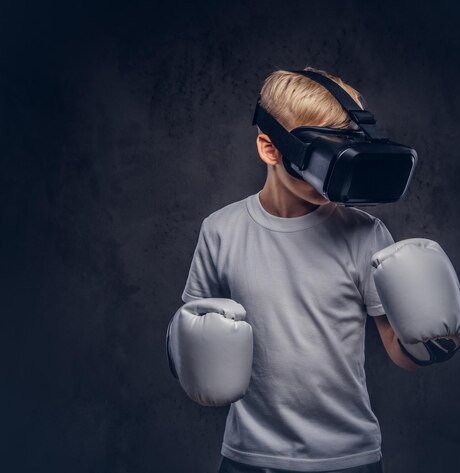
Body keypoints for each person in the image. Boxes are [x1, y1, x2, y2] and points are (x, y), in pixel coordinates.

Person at [180, 67, 441, 473]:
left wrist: (433, 337)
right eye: (325, 154)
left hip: (348, 457)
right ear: (271, 149)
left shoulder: (365, 233)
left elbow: (399, 348)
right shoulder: (220, 230)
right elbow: (193, 326)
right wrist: (195, 361)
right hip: (251, 456)